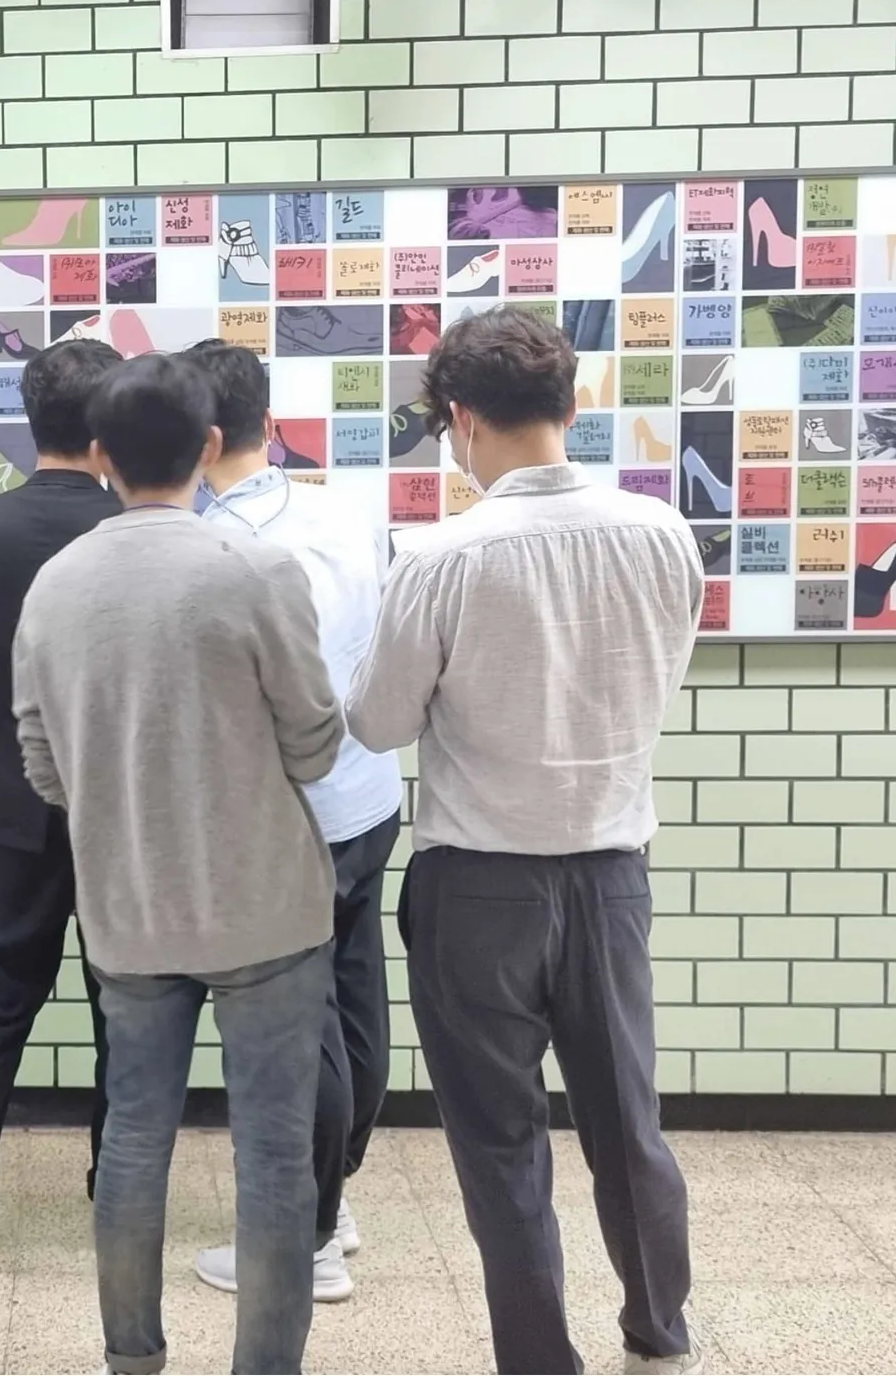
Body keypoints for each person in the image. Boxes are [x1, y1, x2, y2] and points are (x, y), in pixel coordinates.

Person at [347, 305, 703, 1376]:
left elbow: (379, 722)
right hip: (610, 874)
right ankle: (659, 1330)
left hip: (477, 886)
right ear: (572, 403)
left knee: (500, 1143)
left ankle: (539, 1360)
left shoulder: (440, 556)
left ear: (459, 418)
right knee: (627, 1121)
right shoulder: (661, 533)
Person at [12, 352, 344, 1376]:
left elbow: (41, 762)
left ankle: (132, 1357)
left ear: (98, 454)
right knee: (274, 1155)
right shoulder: (257, 570)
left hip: (128, 907)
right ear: (208, 445)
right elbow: (315, 745)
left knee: (132, 1138)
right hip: (267, 908)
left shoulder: (55, 584)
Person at [179, 341, 403, 1306]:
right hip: (367, 796)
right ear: (266, 425)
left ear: (202, 438)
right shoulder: (346, 512)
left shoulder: (215, 545)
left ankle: (305, 1242)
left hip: (286, 817)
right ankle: (334, 1202)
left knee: (296, 1031)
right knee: (353, 1000)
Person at [0, 336, 122, 1259]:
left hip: (10, 809)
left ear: (28, 419)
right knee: (128, 1009)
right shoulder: (138, 531)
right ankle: (118, 1186)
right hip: (125, 817)